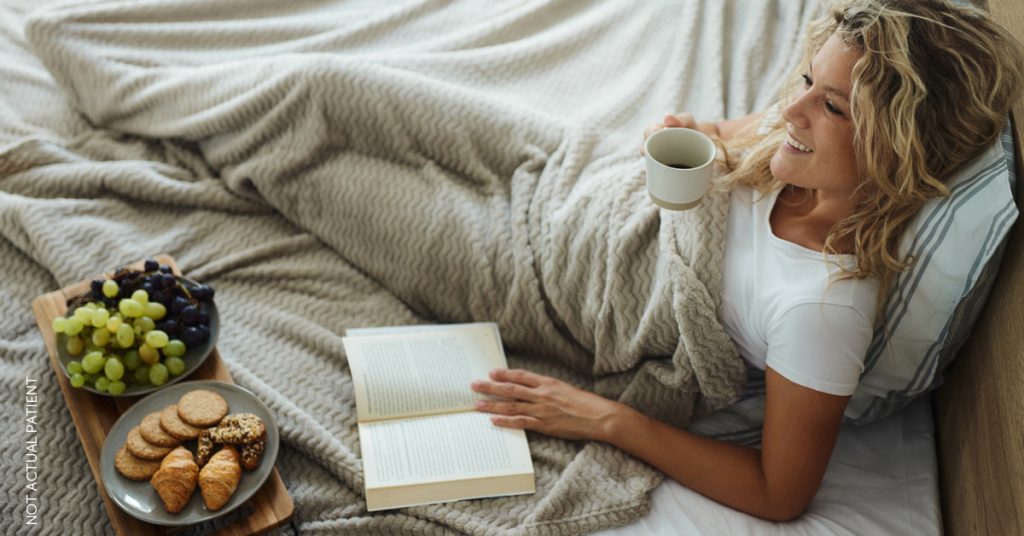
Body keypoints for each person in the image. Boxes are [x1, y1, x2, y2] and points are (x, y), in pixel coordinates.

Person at [471, 0, 1024, 521]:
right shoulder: (789, 142)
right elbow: (711, 136)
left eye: (831, 106)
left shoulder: (823, 307)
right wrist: (677, 135)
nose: (791, 109)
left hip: (558, 279)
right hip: (582, 189)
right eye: (808, 80)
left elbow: (778, 492)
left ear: (898, 147)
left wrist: (608, 420)